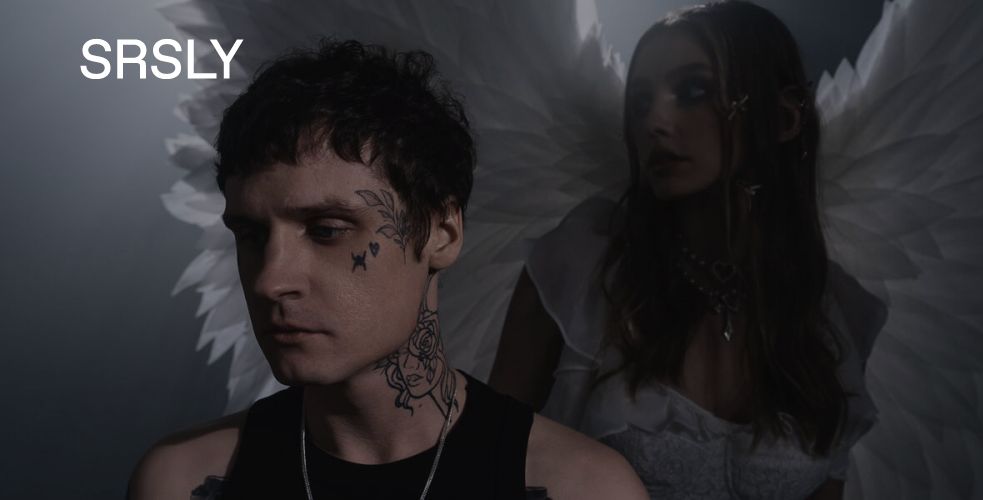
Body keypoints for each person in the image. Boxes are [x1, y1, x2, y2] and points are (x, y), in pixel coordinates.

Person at [128, 39, 647, 500]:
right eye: (251, 235)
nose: (270, 281)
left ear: (442, 234)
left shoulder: (582, 488)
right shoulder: (183, 481)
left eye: (327, 230)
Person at [490, 2, 886, 499]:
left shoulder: (832, 315)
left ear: (783, 118)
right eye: (640, 102)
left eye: (693, 90)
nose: (654, 121)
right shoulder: (581, 263)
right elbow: (476, 468)